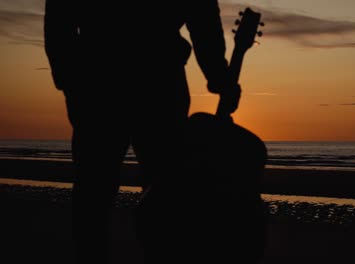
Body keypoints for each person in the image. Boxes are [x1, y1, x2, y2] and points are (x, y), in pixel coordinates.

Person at [44, 1, 239, 263]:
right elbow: (202, 17)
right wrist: (218, 75)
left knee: (103, 191)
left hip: (109, 82)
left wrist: (69, 78)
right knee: (147, 190)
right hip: (139, 81)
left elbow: (59, 18)